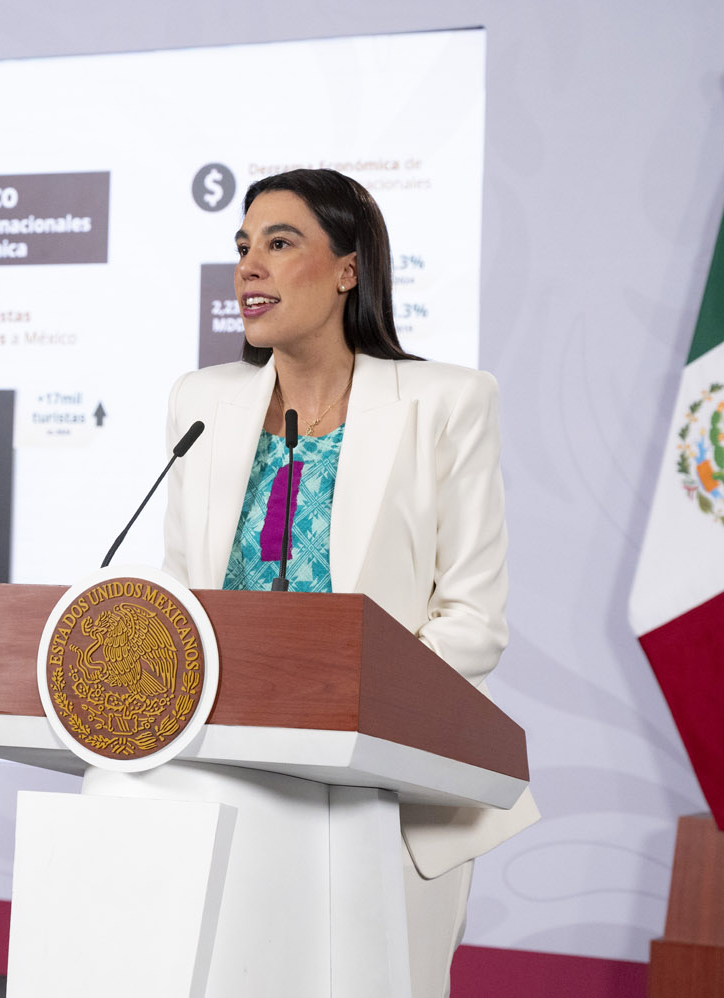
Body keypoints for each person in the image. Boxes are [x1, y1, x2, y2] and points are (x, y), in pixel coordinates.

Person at [160, 169, 538, 997]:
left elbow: (473, 619)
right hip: (227, 777)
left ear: (347, 269)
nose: (249, 266)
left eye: (280, 242)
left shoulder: (447, 401)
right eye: (243, 246)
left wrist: (351, 710)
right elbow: (180, 591)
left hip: (387, 790)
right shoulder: (202, 402)